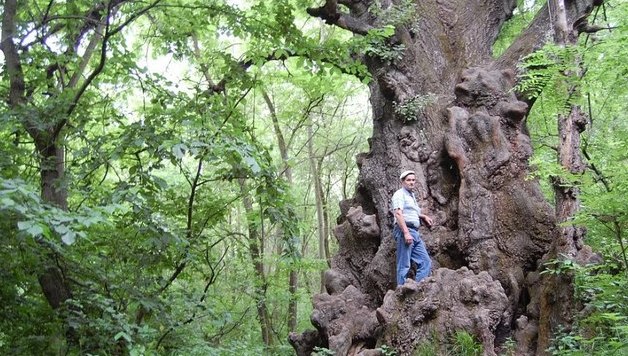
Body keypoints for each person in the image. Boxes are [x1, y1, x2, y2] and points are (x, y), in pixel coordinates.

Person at [391, 170, 433, 286]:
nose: (411, 182)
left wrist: (423, 216)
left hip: (414, 232)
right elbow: (398, 213)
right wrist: (405, 233)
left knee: (426, 262)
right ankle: (401, 292)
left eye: (413, 180)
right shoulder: (399, 194)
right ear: (402, 182)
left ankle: (417, 289)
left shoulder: (411, 195)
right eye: (408, 180)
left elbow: (411, 211)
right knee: (404, 264)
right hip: (405, 230)